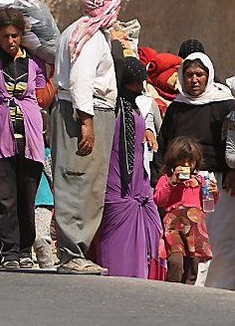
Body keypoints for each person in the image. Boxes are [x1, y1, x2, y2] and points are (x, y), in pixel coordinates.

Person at [52, 0, 122, 275]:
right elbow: (81, 81)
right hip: (83, 114)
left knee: (87, 183)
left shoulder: (85, 32)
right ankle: (72, 253)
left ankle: (77, 251)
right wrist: (87, 123)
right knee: (77, 180)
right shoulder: (88, 37)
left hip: (87, 112)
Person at [0, 7, 48, 269]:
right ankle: (9, 252)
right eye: (4, 36)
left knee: (26, 198)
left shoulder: (35, 63)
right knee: (4, 198)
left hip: (29, 139)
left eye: (15, 35)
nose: (10, 41)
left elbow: (42, 95)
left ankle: (25, 249)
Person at [155, 52, 235, 289]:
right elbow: (165, 143)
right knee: (190, 237)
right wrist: (164, 177)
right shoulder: (176, 108)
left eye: (199, 74)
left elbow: (232, 141)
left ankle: (222, 286)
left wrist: (233, 171)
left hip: (218, 183)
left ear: (208, 76)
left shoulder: (224, 105)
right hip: (183, 185)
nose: (194, 80)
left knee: (220, 237)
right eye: (189, 75)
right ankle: (193, 286)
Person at [97, 57, 164, 278]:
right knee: (117, 237)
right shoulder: (111, 109)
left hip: (138, 183)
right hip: (117, 184)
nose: (141, 88)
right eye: (136, 83)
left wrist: (147, 131)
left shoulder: (135, 107)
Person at [155, 136, 214, 284]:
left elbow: (209, 206)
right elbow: (159, 200)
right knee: (175, 261)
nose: (186, 165)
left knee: (193, 264)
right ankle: (172, 290)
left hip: (195, 230)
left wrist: (213, 193)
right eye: (181, 161)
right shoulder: (166, 179)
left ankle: (186, 295)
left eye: (190, 161)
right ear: (173, 161)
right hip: (174, 229)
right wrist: (172, 182)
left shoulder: (201, 181)